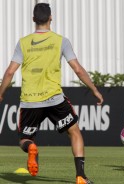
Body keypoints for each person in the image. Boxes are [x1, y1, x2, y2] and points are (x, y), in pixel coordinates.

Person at [0, 3, 103, 184]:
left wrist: (0, 93)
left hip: (30, 102)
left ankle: (31, 147)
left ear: (33, 19)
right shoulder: (61, 40)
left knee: (24, 138)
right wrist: (94, 90)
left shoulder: (23, 43)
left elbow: (10, 71)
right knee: (74, 132)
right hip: (55, 99)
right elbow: (78, 69)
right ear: (51, 18)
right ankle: (80, 176)